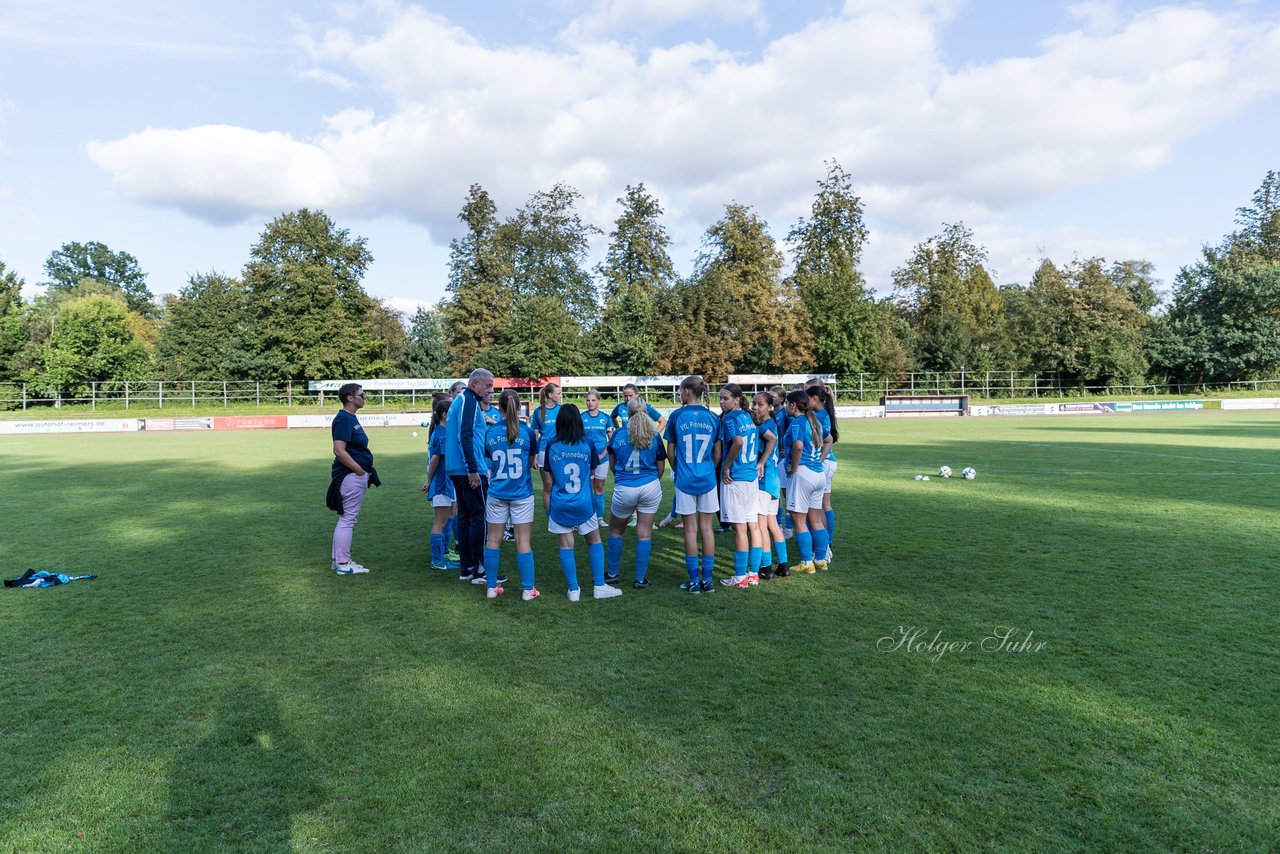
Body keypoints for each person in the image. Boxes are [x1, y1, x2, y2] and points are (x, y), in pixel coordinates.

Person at [544, 404, 622, 601]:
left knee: (565, 545)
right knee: (594, 541)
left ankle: (573, 590)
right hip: (584, 502)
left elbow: (550, 477)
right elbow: (594, 472)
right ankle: (599, 586)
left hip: (561, 501)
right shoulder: (587, 444)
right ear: (579, 422)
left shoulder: (552, 445)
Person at [445, 369, 503, 585]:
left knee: (466, 516)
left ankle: (467, 568)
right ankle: (480, 569)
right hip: (469, 468)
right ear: (475, 383)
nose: (490, 389)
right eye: (487, 385)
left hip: (457, 467)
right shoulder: (468, 400)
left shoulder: (461, 401)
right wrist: (472, 468)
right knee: (479, 516)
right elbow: (466, 435)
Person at [664, 375, 721, 593]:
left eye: (679, 391)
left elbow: (671, 451)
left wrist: (678, 469)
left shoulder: (677, 415)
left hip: (685, 478)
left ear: (687, 391)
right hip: (707, 478)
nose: (679, 394)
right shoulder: (713, 417)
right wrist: (709, 469)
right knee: (707, 529)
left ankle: (694, 581)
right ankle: (708, 580)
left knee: (690, 530)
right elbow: (717, 453)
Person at [481, 390, 539, 600]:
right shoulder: (528, 432)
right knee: (523, 541)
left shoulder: (490, 432)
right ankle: (527, 589)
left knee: (493, 540)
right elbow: (531, 459)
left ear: (499, 407)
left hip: (497, 491)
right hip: (521, 492)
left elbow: (488, 462)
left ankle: (490, 587)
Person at [605, 396, 667, 589]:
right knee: (644, 533)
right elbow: (660, 466)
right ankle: (640, 579)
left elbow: (613, 465)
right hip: (650, 485)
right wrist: (652, 482)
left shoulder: (618, 434)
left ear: (628, 413)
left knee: (616, 530)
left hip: (625, 486)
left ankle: (613, 573)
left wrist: (623, 477)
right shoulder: (654, 435)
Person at [328, 383, 377, 575]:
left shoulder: (350, 418)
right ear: (350, 397)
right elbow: (338, 450)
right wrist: (359, 471)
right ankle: (342, 563)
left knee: (346, 519)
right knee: (348, 519)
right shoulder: (344, 419)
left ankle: (339, 561)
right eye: (361, 395)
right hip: (350, 476)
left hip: (353, 475)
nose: (364, 398)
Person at [718, 383, 762, 588]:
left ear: (737, 399)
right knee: (752, 526)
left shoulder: (730, 418)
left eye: (725, 398)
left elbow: (737, 442)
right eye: (720, 398)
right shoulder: (747, 416)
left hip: (736, 479)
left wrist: (726, 466)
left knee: (739, 529)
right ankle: (753, 574)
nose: (721, 402)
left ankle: (739, 577)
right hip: (751, 478)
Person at [784, 389, 830, 573]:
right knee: (816, 520)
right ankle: (820, 559)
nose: (787, 407)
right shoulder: (816, 421)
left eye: (788, 403)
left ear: (793, 405)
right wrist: (818, 460)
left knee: (799, 520)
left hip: (802, 474)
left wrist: (794, 466)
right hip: (818, 475)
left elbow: (798, 445)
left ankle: (806, 563)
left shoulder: (797, 422)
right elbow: (829, 439)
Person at [751, 391, 789, 579]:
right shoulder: (770, 423)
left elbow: (771, 441)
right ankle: (783, 564)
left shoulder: (764, 425)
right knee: (773, 524)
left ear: (769, 407)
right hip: (773, 480)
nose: (755, 407)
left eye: (760, 404)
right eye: (754, 404)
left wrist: (760, 462)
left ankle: (766, 567)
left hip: (764, 480)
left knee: (761, 526)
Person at [421, 398, 458, 571]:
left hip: (448, 483)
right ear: (444, 414)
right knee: (440, 521)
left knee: (448, 518)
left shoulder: (443, 431)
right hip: (443, 483)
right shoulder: (441, 433)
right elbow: (435, 460)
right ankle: (437, 560)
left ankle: (442, 556)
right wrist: (429, 481)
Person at [807, 383, 839, 560]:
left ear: (814, 398)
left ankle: (825, 545)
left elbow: (827, 440)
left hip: (824, 462)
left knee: (820, 507)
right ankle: (825, 543)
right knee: (823, 506)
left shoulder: (818, 415)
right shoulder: (824, 412)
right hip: (828, 461)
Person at [581, 390, 612, 523]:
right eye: (588, 400)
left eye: (593, 400)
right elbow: (578, 438)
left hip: (602, 458)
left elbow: (611, 439)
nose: (590, 403)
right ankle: (587, 516)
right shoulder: (581, 417)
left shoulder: (605, 418)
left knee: (599, 488)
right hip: (586, 458)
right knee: (586, 488)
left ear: (598, 401)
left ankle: (599, 517)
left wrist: (603, 454)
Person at [531, 382, 562, 512]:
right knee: (548, 485)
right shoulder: (538, 412)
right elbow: (535, 434)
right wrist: (534, 457)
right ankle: (551, 516)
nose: (560, 396)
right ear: (550, 395)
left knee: (559, 483)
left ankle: (561, 513)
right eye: (558, 393)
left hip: (559, 450)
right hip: (543, 451)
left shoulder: (561, 409)